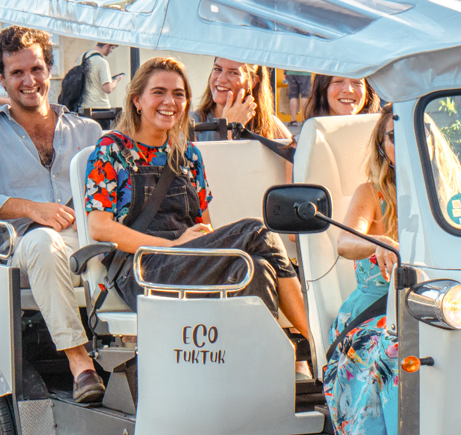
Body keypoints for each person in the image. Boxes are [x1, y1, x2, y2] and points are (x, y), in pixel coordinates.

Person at [85, 57, 313, 358]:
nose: (170, 101)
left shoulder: (189, 155)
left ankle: (257, 371)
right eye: (159, 92)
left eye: (179, 94)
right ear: (137, 100)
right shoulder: (111, 149)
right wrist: (172, 245)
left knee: (257, 268)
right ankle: (317, 342)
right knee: (257, 231)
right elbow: (100, 228)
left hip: (189, 262)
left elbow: (203, 225)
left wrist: (191, 246)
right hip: (140, 270)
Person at [0, 27, 107, 403]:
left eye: (35, 69)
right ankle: (80, 363)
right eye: (16, 73)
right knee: (42, 241)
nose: (28, 80)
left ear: (49, 69)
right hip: (17, 243)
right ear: (0, 79)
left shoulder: (89, 131)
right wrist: (31, 208)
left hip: (80, 238)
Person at [323, 105, 461, 435]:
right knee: (395, 349)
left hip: (440, 308)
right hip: (374, 315)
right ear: (383, 145)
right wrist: (381, 242)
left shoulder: (453, 194)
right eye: (392, 136)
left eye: (411, 133)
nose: (400, 143)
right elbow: (345, 244)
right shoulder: (372, 193)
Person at [191, 58, 291, 141]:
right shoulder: (192, 124)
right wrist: (229, 129)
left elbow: (298, 160)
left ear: (252, 81)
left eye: (233, 73)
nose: (221, 79)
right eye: (217, 69)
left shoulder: (269, 125)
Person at [302, 75, 382, 121]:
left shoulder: (382, 144)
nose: (348, 90)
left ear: (367, 94)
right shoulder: (304, 144)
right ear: (323, 90)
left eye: (357, 83)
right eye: (338, 81)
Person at [81, 42, 124, 111]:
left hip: (82, 106)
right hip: (99, 106)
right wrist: (116, 80)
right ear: (107, 45)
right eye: (112, 48)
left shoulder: (82, 57)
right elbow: (108, 89)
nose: (111, 51)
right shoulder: (102, 62)